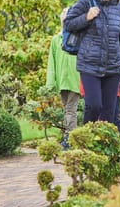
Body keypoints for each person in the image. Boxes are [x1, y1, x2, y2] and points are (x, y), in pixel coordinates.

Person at [64, 0, 120, 128]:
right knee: (94, 105)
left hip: (113, 66)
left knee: (109, 111)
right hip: (89, 64)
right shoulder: (86, 1)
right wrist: (86, 17)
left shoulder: (119, 7)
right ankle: (86, 141)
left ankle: (104, 146)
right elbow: (68, 24)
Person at [46, 8, 81, 149]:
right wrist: (50, 83)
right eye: (64, 14)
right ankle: (70, 137)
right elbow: (51, 63)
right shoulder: (56, 40)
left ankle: (70, 138)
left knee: (70, 109)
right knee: (67, 109)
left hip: (75, 79)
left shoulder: (78, 38)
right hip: (62, 81)